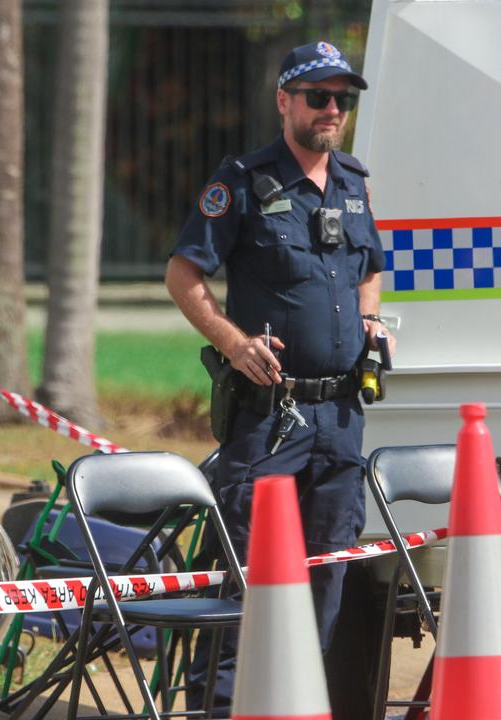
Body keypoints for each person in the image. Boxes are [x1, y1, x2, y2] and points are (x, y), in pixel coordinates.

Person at [165, 40, 393, 714]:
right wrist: (235, 346)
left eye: (341, 100)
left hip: (342, 420)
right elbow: (184, 276)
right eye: (317, 96)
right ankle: (222, 707)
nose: (330, 110)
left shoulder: (353, 182)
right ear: (283, 101)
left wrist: (370, 322)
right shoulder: (240, 180)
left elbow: (371, 267)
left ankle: (296, 703)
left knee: (326, 576)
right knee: (248, 576)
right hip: (270, 417)